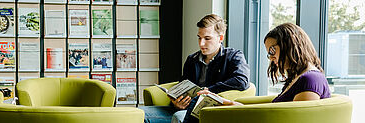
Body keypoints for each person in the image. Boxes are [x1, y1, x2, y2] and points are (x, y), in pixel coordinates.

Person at [184, 23, 331, 123]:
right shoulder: (299, 77)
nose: (271, 57)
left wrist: (242, 110)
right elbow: (277, 112)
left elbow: (294, 119)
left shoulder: (310, 79)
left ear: (291, 46)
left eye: (272, 50)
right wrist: (235, 105)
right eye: (268, 53)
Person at [140, 14, 250, 123]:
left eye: (207, 38)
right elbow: (183, 85)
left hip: (205, 110)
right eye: (199, 38)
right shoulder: (192, 59)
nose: (201, 43)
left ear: (220, 38)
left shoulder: (233, 56)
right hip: (185, 108)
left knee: (178, 117)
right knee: (139, 113)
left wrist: (209, 89)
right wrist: (177, 102)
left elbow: (242, 81)